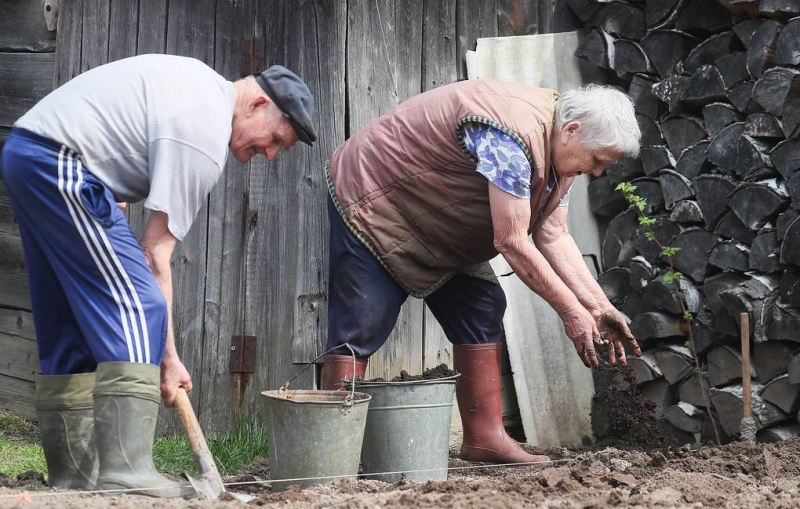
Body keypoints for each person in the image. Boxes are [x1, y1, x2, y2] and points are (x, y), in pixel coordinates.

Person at [0, 54, 316, 496]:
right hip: (60, 161)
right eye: (276, 139)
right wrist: (168, 358)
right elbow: (154, 256)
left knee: (67, 318)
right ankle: (128, 472)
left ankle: (73, 478)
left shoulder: (198, 87)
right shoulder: (205, 131)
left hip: (27, 153)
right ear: (259, 103)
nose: (268, 153)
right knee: (141, 305)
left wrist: (108, 183)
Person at [320, 81, 642, 465]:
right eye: (599, 160)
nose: (600, 171)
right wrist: (572, 314)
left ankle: (485, 440)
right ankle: (333, 450)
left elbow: (553, 234)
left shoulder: (561, 150)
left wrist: (599, 307)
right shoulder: (511, 136)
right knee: (363, 318)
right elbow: (512, 241)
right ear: (572, 131)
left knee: (481, 305)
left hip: (440, 218)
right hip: (377, 199)